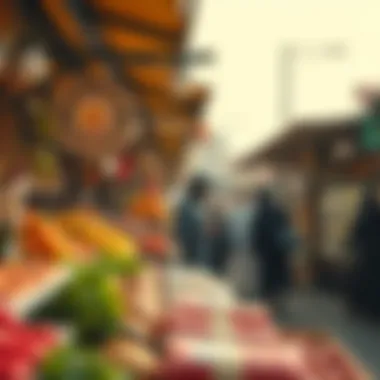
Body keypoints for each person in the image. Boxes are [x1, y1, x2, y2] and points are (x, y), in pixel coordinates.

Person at [250, 189, 297, 307]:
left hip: (266, 252)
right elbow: (286, 228)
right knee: (278, 275)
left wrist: (256, 248)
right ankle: (277, 298)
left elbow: (257, 233)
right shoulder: (279, 211)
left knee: (267, 276)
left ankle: (268, 299)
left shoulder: (261, 213)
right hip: (279, 250)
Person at [347, 186, 380, 320]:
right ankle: (369, 307)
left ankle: (366, 306)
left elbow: (357, 233)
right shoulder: (370, 214)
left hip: (369, 254)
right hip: (371, 254)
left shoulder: (367, 213)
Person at [175, 176, 210, 266]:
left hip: (195, 252)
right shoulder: (188, 207)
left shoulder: (195, 206)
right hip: (190, 252)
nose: (205, 194)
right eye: (204, 191)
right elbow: (184, 231)